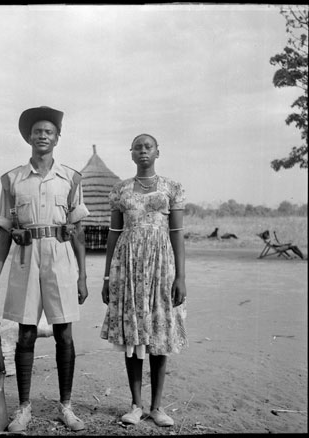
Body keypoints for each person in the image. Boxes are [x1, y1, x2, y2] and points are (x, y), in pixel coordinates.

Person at [0, 106, 89, 433]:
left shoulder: (72, 178)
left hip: (60, 258)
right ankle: (24, 408)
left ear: (57, 138)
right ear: (29, 138)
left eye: (49, 132)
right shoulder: (12, 179)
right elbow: (4, 233)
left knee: (64, 332)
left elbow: (78, 230)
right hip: (25, 258)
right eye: (37, 132)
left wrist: (83, 275)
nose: (43, 136)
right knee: (26, 333)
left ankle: (66, 406)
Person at [100, 133, 188, 428]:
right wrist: (107, 275)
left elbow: (176, 234)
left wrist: (181, 277)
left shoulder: (171, 188)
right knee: (132, 336)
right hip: (128, 267)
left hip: (162, 266)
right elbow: (114, 233)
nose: (143, 151)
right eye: (138, 147)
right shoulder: (120, 190)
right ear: (131, 154)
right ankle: (136, 405)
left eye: (148, 147)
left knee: (160, 334)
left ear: (157, 152)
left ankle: (158, 407)